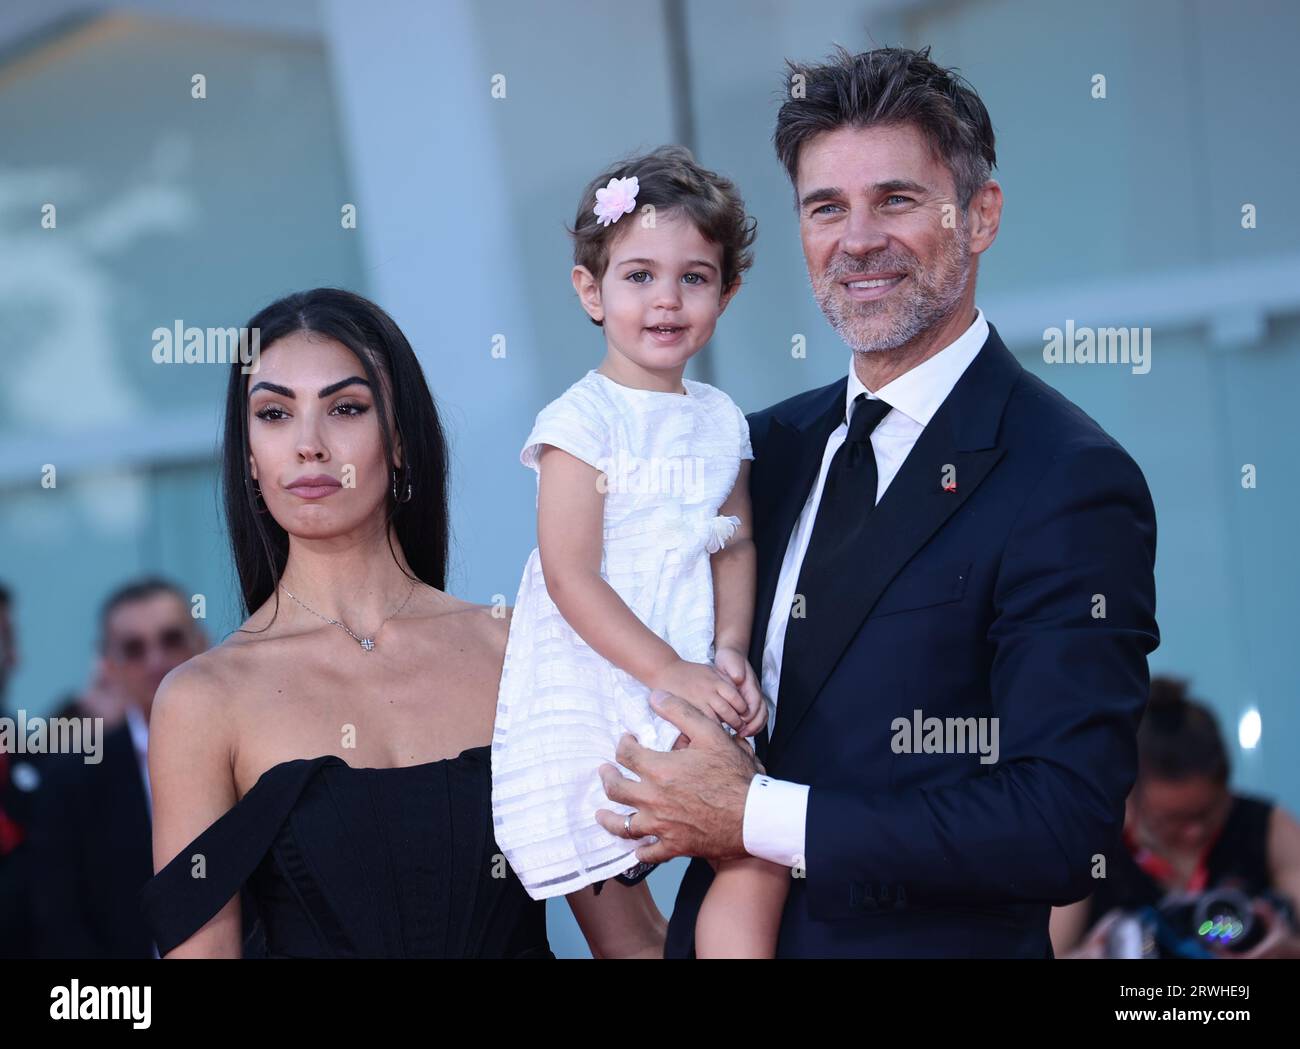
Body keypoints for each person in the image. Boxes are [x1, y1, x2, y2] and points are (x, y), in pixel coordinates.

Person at [589, 45, 1160, 958]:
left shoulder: (1068, 478)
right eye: (826, 208)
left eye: (894, 199)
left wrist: (754, 815)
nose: (857, 239)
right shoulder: (753, 448)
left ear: (980, 215)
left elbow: (1060, 821)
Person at [140, 288, 667, 958]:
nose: (308, 445)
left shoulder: (522, 650)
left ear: (399, 441)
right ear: (248, 456)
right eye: (274, 414)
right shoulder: (203, 700)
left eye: (346, 408)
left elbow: (633, 940)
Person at [490, 146, 786, 957]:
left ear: (726, 293)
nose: (667, 298)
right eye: (639, 276)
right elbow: (570, 573)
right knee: (609, 884)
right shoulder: (580, 422)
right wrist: (664, 671)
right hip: (596, 673)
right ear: (592, 290)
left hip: (688, 669)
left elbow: (734, 541)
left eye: (694, 277)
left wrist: (727, 650)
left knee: (754, 842)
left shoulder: (723, 420)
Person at [1051, 676, 1300, 959]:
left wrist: (1290, 950)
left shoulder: (1268, 826)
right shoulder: (1089, 841)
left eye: (1207, 813)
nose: (1194, 831)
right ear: (1130, 797)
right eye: (1171, 820)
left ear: (1226, 785)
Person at [27, 578, 209, 957]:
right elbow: (59, 920)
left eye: (171, 639)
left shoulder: (254, 758)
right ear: (109, 665)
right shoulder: (71, 782)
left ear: (200, 643)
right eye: (134, 648)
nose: (156, 661)